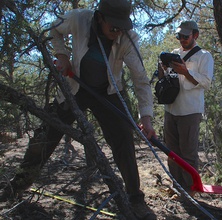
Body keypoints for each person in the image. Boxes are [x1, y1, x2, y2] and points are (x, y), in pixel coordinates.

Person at [2, 0, 157, 219]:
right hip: (76, 87)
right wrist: (62, 54)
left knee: (123, 139)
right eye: (114, 25)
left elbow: (140, 80)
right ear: (100, 17)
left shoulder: (127, 39)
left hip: (109, 93)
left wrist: (147, 117)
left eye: (122, 26)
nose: (118, 31)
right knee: (47, 133)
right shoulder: (79, 18)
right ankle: (16, 186)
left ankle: (134, 197)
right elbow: (54, 29)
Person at [158, 21, 214, 198]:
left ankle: (190, 189)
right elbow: (164, 80)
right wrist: (162, 69)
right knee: (172, 151)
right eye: (179, 36)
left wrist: (186, 72)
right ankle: (177, 187)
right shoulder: (174, 54)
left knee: (188, 153)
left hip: (190, 111)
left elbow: (206, 82)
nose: (181, 39)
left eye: (185, 36)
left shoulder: (205, 56)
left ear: (195, 35)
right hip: (171, 109)